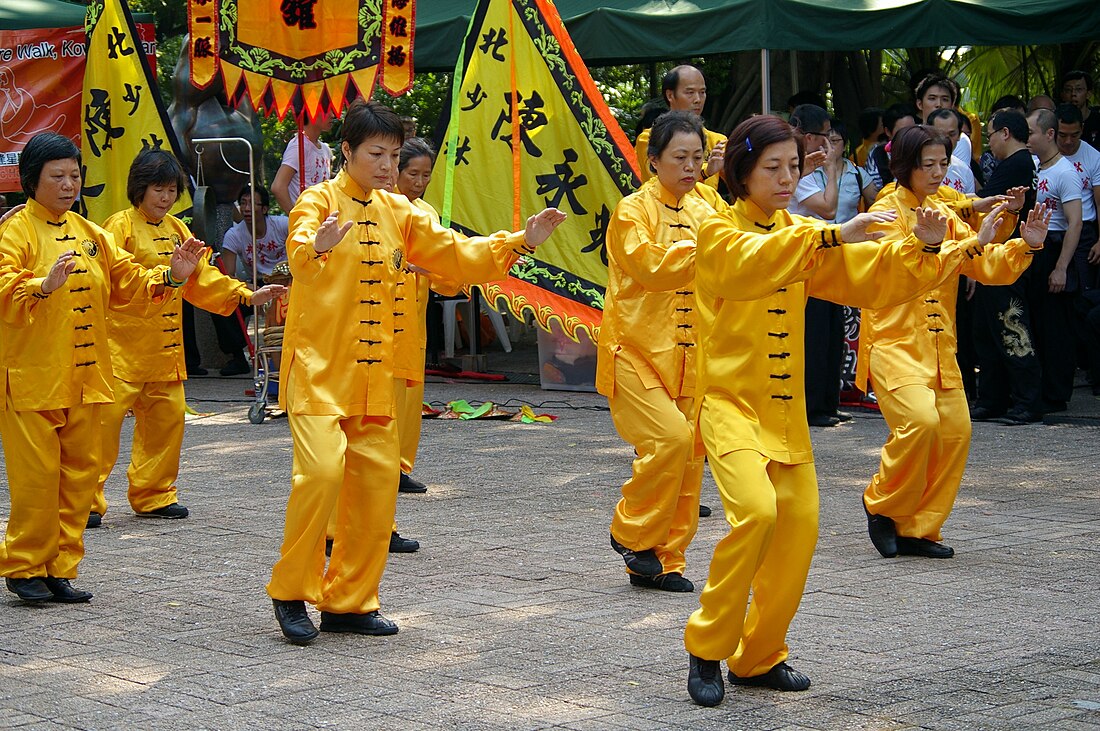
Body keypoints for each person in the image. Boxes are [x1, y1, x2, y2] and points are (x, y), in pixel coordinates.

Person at [265, 100, 566, 645]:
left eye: (394, 154)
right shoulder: (317, 200)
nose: (386, 165)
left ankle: (350, 601)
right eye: (376, 153)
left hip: (373, 376)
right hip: (317, 371)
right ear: (348, 152)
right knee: (322, 477)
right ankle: (290, 591)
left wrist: (518, 242)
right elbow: (300, 251)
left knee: (378, 487)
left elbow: (455, 254)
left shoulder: (400, 212)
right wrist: (319, 245)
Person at [683, 115, 959, 708]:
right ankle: (707, 646)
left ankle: (758, 658)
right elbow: (747, 262)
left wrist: (924, 247)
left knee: (799, 535)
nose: (787, 178)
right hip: (730, 407)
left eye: (793, 166)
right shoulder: (718, 229)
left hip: (784, 416)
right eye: (773, 168)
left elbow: (865, 277)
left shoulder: (797, 233)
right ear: (742, 172)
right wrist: (830, 233)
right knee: (756, 517)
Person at [0, 132, 205, 603]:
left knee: (77, 477)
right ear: (34, 180)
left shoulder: (94, 236)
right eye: (58, 176)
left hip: (86, 377)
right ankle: (25, 566)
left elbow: (129, 285)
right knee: (37, 480)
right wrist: (42, 285)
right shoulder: (15, 231)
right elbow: (5, 286)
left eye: (74, 175)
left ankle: (61, 567)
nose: (69, 184)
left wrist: (172, 274)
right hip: (32, 380)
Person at [860, 125, 1049, 563]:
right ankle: (881, 504)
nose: (937, 172)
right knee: (920, 424)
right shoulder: (885, 211)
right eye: (928, 165)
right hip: (894, 340)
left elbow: (984, 265)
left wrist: (1026, 245)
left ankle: (919, 527)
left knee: (955, 433)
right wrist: (966, 244)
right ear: (905, 166)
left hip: (940, 343)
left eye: (943, 164)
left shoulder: (947, 207)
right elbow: (908, 270)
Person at [88, 150, 286, 527]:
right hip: (121, 349)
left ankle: (154, 494)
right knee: (100, 429)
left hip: (165, 350)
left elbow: (202, 278)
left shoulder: (178, 230)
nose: (164, 198)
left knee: (165, 425)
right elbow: (118, 278)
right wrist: (167, 277)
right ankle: (84, 501)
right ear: (139, 189)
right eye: (157, 189)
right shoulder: (118, 227)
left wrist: (246, 294)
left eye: (170, 190)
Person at [600, 111, 725, 594]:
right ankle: (630, 531)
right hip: (635, 349)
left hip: (695, 352)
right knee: (670, 440)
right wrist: (709, 252)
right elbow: (650, 266)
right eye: (680, 157)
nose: (691, 166)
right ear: (654, 161)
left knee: (692, 456)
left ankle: (663, 559)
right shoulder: (633, 210)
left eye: (697, 156)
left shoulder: (709, 205)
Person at [970, 110, 1043, 424]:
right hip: (994, 259)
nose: (989, 142)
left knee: (1013, 328)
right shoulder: (1018, 164)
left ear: (1005, 133)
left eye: (990, 135)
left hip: (1008, 259)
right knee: (988, 332)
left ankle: (1028, 401)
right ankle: (993, 399)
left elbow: (986, 202)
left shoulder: (1018, 164)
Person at [1028, 108, 1085, 412]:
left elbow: (1075, 223)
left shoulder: (1066, 173)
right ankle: (1040, 388)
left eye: (1032, 133)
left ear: (1048, 134)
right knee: (1037, 322)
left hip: (1055, 248)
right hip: (1035, 250)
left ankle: (1057, 393)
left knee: (1056, 327)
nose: (1028, 139)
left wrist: (1061, 267)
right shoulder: (1035, 167)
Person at [215, 185, 290, 375]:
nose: (247, 209)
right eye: (243, 203)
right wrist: (252, 289)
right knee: (222, 298)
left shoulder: (283, 225)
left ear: (264, 209)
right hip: (256, 284)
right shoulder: (234, 235)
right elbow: (228, 277)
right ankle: (237, 357)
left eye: (252, 204)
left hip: (289, 283)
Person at [635, 65, 726, 188]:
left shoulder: (718, 141)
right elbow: (660, 182)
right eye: (690, 92)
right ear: (670, 95)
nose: (698, 99)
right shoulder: (649, 138)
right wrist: (705, 172)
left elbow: (740, 183)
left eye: (702, 92)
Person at [1054, 103, 1100, 290]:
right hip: (1052, 232)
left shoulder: (1093, 156)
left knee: (1083, 292)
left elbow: (1099, 202)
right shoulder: (1040, 155)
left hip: (1084, 234)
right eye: (1062, 135)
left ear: (1082, 129)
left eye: (1075, 135)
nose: (1068, 141)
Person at [271, 113, 334, 213]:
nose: (332, 115)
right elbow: (278, 187)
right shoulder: (298, 146)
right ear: (310, 112)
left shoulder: (325, 149)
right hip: (306, 222)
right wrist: (296, 218)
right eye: (325, 110)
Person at [866, 103, 919, 191]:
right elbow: (876, 192)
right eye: (902, 131)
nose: (909, 135)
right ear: (887, 132)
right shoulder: (878, 154)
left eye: (912, 129)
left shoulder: (925, 149)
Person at [927, 108, 977, 195]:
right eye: (940, 134)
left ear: (959, 136)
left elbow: (970, 205)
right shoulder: (915, 167)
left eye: (952, 134)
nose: (946, 140)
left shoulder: (965, 171)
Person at [1062, 70, 1100, 150]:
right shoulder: (1055, 122)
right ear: (1062, 94)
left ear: (1088, 94)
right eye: (1068, 90)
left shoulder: (1098, 121)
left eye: (1078, 89)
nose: (1073, 94)